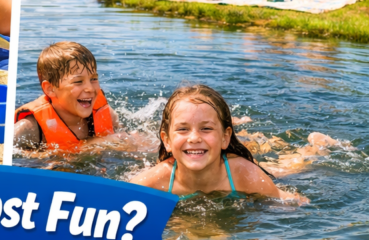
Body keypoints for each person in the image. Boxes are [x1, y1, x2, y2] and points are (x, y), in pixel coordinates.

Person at [131, 85, 305, 201]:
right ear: (166, 140)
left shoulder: (244, 174)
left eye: (206, 129)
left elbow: (292, 201)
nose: (194, 138)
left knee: (290, 168)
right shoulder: (155, 181)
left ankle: (313, 148)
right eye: (183, 129)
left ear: (225, 137)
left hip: (238, 167)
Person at [12, 42, 118, 150]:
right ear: (50, 89)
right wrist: (90, 146)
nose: (90, 88)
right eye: (78, 81)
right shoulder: (29, 129)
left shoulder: (106, 114)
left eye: (93, 79)